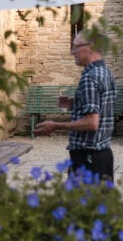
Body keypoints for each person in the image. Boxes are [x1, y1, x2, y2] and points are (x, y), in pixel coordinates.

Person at [34, 31, 116, 183]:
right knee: (99, 205)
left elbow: (92, 123)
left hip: (88, 158)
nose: (72, 52)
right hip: (103, 155)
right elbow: (101, 107)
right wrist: (75, 104)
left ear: (91, 47)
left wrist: (55, 125)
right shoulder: (105, 72)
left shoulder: (90, 77)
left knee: (82, 206)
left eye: (76, 46)